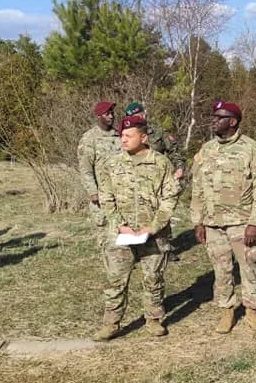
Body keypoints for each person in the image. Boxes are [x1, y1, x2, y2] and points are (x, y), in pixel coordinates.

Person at [93, 114, 181, 341]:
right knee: (115, 280)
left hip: (153, 235)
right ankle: (111, 323)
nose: (123, 139)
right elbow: (106, 198)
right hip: (121, 235)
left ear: (143, 137)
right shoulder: (111, 164)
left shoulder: (160, 162)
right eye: (122, 135)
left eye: (128, 135)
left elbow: (170, 198)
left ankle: (153, 319)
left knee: (153, 278)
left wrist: (153, 227)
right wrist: (119, 225)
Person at [190, 101, 256, 334]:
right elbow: (197, 188)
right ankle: (227, 311)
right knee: (221, 270)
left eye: (220, 117)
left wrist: (255, 222)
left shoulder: (252, 149)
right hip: (213, 224)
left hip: (242, 222)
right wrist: (198, 221)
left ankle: (252, 311)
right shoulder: (206, 150)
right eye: (214, 116)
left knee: (249, 267)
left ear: (233, 122)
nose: (214, 120)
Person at [123, 101, 186, 261]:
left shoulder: (158, 132)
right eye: (133, 116)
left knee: (161, 213)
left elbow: (175, 151)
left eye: (139, 115)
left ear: (144, 114)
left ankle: (165, 247)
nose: (138, 118)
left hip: (158, 181)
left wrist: (179, 168)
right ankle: (136, 248)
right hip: (135, 182)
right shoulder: (126, 134)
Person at [77, 101, 122, 237]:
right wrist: (93, 192)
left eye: (112, 113)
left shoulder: (119, 136)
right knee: (105, 233)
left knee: (121, 230)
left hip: (121, 192)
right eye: (107, 114)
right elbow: (86, 169)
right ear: (99, 116)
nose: (111, 116)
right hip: (102, 194)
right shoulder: (90, 138)